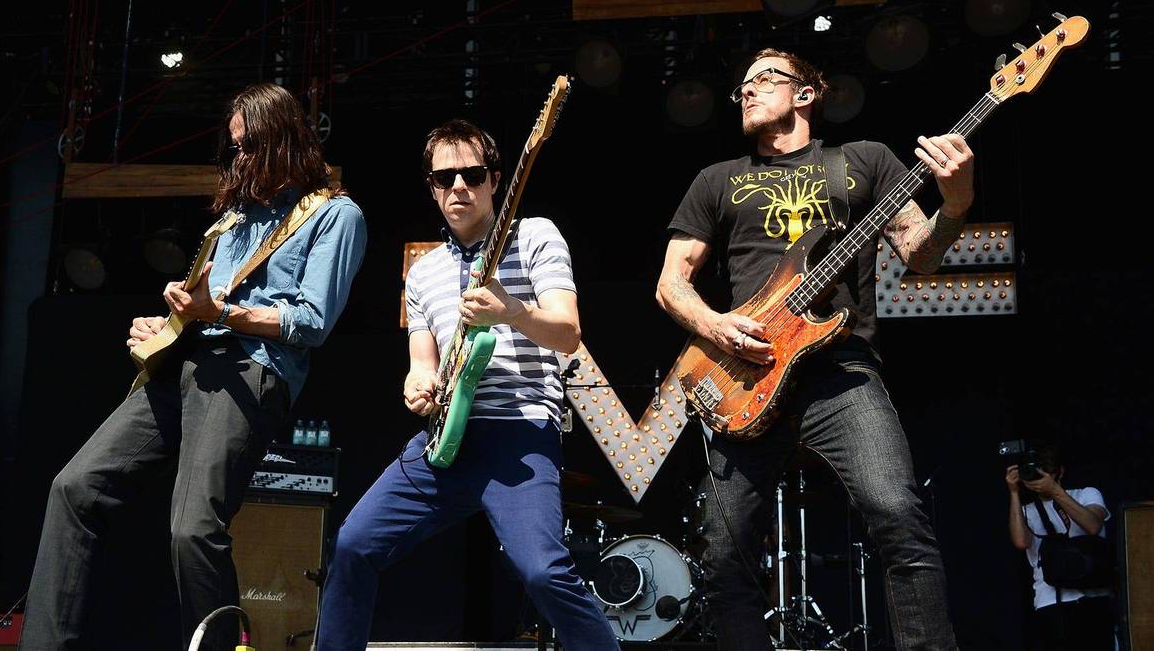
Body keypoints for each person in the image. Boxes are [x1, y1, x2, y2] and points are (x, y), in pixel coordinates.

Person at [20, 83, 367, 650]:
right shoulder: (233, 216)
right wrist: (165, 326)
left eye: (250, 145)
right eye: (234, 148)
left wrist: (220, 312)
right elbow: (199, 308)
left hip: (250, 372)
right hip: (184, 366)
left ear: (285, 139)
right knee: (74, 487)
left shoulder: (335, 214)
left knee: (192, 529)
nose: (241, 159)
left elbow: (312, 322)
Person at [655, 48, 973, 650]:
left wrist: (955, 203)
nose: (746, 91)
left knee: (898, 517)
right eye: (741, 85)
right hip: (744, 372)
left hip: (840, 369)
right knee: (723, 555)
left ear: (805, 94)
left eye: (763, 80)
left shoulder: (865, 161)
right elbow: (671, 284)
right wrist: (719, 327)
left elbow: (921, 252)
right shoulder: (716, 179)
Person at [315, 119, 618, 651]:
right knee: (351, 546)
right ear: (430, 187)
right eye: (443, 177)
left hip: (517, 434)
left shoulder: (535, 235)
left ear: (495, 179)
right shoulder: (421, 271)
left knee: (543, 571)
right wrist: (419, 384)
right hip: (442, 445)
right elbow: (420, 361)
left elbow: (567, 333)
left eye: (472, 174)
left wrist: (512, 310)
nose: (458, 187)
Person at [1007, 445, 1114, 651]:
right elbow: (1021, 542)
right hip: (1051, 602)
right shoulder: (1026, 510)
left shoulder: (1086, 494)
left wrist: (1054, 491)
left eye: (1044, 473)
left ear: (1060, 472)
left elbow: (1092, 525)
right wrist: (1013, 493)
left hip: (1093, 598)